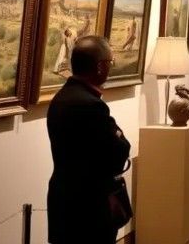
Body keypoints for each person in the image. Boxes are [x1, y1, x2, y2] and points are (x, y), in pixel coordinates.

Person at [47, 36, 131, 244]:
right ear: (100, 67)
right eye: (110, 63)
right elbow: (120, 150)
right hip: (89, 205)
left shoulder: (61, 98)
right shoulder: (91, 105)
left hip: (64, 198)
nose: (110, 68)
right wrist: (119, 136)